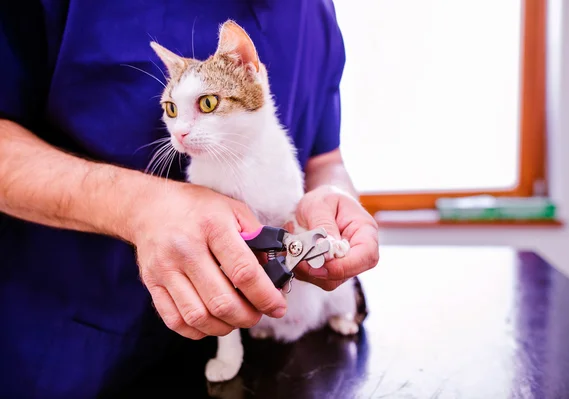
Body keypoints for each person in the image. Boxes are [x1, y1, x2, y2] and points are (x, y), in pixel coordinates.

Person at [0, 0, 379, 397]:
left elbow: (326, 158)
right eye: (170, 110)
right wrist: (139, 205)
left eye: (206, 104)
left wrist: (335, 197)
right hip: (70, 348)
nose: (178, 133)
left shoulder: (315, 10)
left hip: (266, 348)